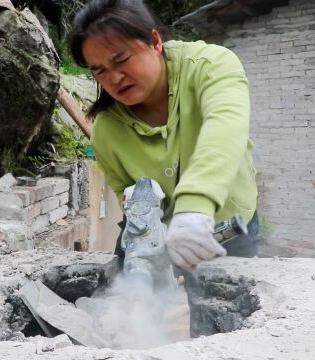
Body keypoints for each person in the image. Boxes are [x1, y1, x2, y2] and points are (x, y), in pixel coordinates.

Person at [69, 0, 260, 272]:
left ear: (155, 41)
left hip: (227, 227)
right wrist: (138, 209)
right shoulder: (107, 130)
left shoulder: (210, 66)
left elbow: (225, 126)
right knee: (129, 300)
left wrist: (195, 205)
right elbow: (124, 190)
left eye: (121, 59)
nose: (114, 78)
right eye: (99, 71)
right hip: (154, 238)